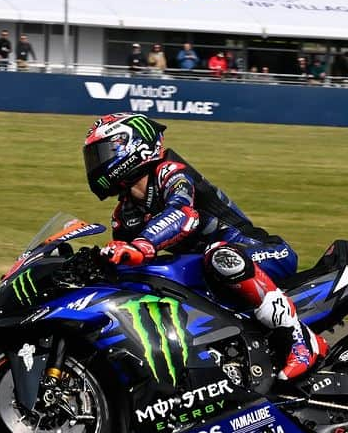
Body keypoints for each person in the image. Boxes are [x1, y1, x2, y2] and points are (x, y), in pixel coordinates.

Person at [84, 114, 327, 381]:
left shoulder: (171, 173)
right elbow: (128, 259)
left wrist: (141, 245)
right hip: (210, 271)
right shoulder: (124, 213)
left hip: (260, 252)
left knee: (219, 256)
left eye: (102, 153)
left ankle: (301, 341)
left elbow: (185, 215)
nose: (96, 164)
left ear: (134, 146)